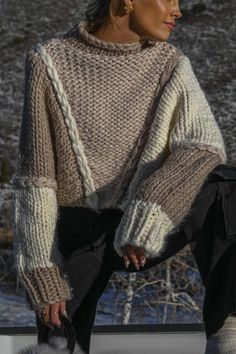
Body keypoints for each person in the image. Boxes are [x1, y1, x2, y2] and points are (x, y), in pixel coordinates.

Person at [12, 0, 236, 353]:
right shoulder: (48, 61)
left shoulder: (171, 63)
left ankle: (229, 329)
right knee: (58, 340)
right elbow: (36, 178)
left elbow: (201, 146)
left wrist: (148, 210)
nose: (178, 11)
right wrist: (40, 267)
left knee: (228, 185)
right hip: (77, 232)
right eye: (169, 0)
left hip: (145, 226)